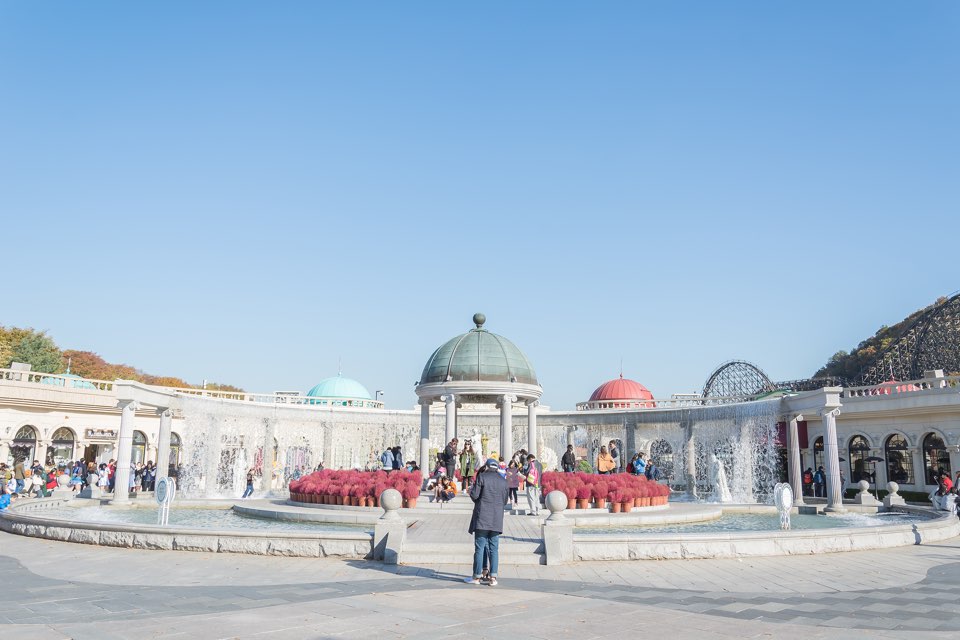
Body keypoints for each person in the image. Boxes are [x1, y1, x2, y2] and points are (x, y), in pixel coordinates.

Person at [465, 458, 509, 586]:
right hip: (496, 519)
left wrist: (471, 491)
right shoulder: (503, 481)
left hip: (483, 518)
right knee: (494, 549)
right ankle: (493, 577)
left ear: (487, 466)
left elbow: (475, 495)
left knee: (480, 548)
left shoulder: (482, 477)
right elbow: (505, 501)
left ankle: (477, 577)